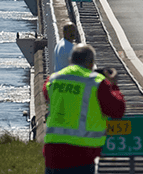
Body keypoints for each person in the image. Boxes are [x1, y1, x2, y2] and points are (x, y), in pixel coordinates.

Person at [44, 43, 125, 173]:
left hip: (53, 154)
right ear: (92, 63)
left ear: (70, 60)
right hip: (82, 155)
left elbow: (47, 95)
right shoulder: (97, 83)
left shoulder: (53, 79)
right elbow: (117, 110)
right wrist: (113, 85)